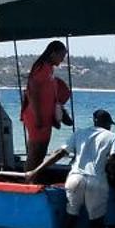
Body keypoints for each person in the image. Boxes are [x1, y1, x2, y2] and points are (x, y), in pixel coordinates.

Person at [58, 108, 115, 228]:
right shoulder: (112, 137)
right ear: (108, 124)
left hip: (75, 178)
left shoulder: (79, 133)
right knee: (97, 222)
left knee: (71, 218)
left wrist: (37, 170)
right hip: (96, 180)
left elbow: (61, 152)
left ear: (94, 121)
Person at [19, 40, 73, 172]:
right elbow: (32, 91)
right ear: (53, 53)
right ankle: (29, 180)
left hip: (45, 117)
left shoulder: (49, 69)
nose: (62, 60)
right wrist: (38, 117)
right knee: (36, 150)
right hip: (36, 116)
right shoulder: (41, 67)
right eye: (61, 56)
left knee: (41, 151)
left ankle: (34, 177)